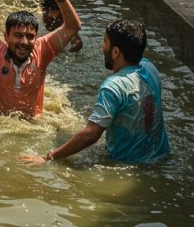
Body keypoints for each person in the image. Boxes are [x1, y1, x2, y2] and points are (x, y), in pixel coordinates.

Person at [19, 20, 170, 165]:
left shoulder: (113, 86)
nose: (102, 46)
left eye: (105, 42)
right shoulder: (150, 68)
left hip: (127, 163)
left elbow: (91, 134)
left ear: (116, 51)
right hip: (161, 156)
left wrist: (47, 157)